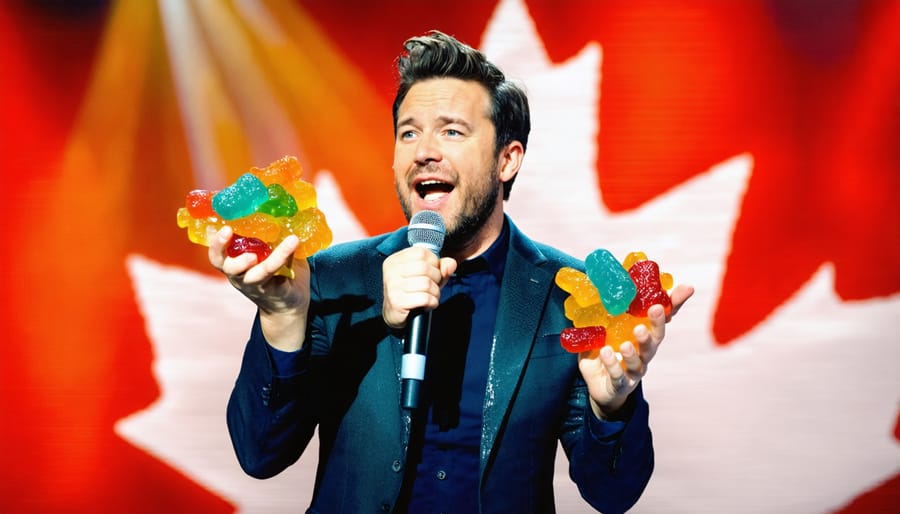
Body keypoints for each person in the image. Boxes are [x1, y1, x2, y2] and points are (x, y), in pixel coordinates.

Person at [210, 30, 693, 514]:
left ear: (508, 159)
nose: (423, 150)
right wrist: (281, 318)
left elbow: (614, 495)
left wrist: (609, 410)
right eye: (409, 131)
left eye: (452, 131)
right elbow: (260, 455)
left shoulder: (568, 295)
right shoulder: (332, 280)